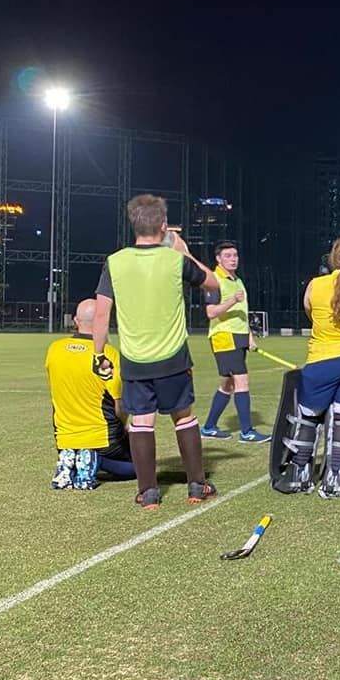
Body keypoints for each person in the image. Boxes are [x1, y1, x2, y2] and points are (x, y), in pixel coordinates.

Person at [92, 194, 219, 510]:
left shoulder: (115, 261)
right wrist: (185, 252)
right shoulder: (175, 260)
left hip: (135, 359)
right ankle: (196, 485)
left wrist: (99, 355)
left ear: (133, 225)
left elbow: (100, 314)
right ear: (164, 227)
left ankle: (148, 492)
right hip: (173, 356)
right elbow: (214, 283)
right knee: (184, 418)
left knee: (141, 422)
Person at [273, 236, 340, 498]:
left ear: (333, 258)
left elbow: (311, 315)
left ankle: (299, 474)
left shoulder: (315, 286)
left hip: (323, 358)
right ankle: (337, 478)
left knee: (308, 416)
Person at [46, 298, 135, 490]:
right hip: (101, 438)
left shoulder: (54, 350)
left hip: (64, 437)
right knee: (139, 467)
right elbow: (121, 404)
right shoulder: (108, 354)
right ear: (103, 322)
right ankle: (95, 458)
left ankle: (72, 456)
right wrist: (123, 428)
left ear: (76, 321)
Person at [200, 241, 270, 443]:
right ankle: (247, 432)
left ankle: (209, 427)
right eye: (228, 255)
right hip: (224, 336)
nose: (233, 259)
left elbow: (242, 313)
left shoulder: (237, 281)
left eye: (235, 255)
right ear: (218, 259)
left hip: (238, 336)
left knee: (228, 384)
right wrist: (232, 301)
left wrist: (248, 336)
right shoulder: (214, 280)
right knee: (242, 380)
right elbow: (211, 312)